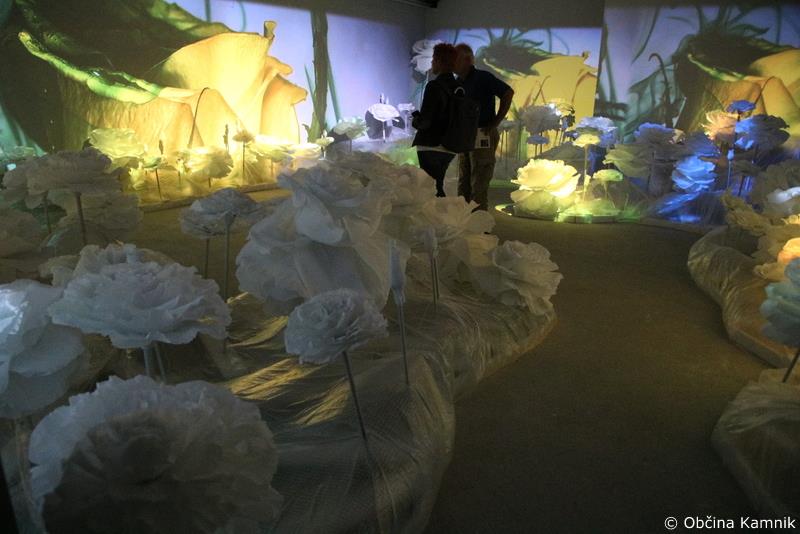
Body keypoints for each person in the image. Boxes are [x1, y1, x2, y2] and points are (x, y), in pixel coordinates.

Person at [454, 43, 514, 210]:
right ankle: (463, 219)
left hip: (482, 133)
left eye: (455, 59)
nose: (452, 63)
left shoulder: (483, 78)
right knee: (464, 180)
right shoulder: (458, 82)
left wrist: (496, 122)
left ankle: (479, 222)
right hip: (465, 136)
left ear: (467, 60)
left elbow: (507, 93)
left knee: (479, 181)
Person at [411, 43, 460, 197]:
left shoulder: (434, 86)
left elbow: (425, 121)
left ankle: (439, 213)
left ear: (439, 61)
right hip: (450, 146)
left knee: (430, 191)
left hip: (431, 145)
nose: (432, 63)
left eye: (433, 59)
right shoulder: (459, 87)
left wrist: (415, 120)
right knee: (437, 186)